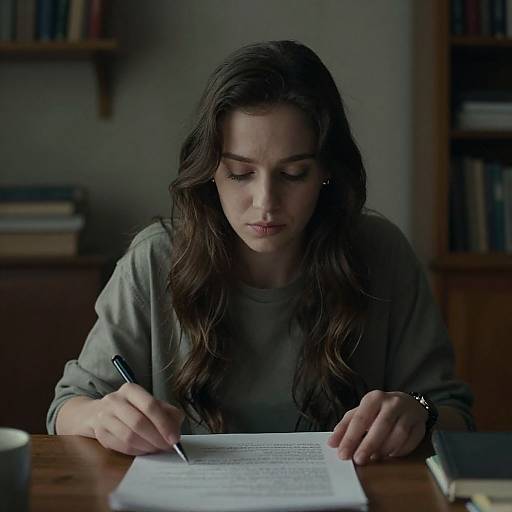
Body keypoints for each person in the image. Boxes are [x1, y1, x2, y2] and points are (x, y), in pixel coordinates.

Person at [47, 40, 473, 466]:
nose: (265, 202)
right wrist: (101, 415)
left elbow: (453, 411)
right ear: (209, 171)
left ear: (326, 172)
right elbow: (67, 407)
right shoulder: (155, 261)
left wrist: (417, 410)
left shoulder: (383, 254)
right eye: (240, 173)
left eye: (293, 173)